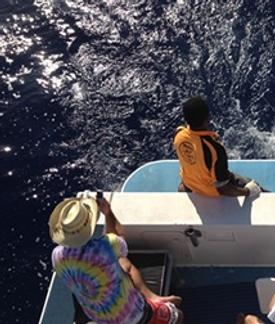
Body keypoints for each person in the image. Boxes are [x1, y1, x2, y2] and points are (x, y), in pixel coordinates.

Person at [49, 195, 183, 324]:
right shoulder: (106, 247)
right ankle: (156, 305)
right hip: (131, 316)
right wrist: (108, 213)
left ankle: (153, 297)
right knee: (178, 315)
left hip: (97, 316)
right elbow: (118, 237)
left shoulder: (56, 256)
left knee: (123, 262)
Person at [173, 95, 263, 198]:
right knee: (257, 188)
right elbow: (223, 188)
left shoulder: (178, 134)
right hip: (211, 193)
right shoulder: (216, 150)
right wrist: (247, 191)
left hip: (189, 185)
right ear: (207, 119)